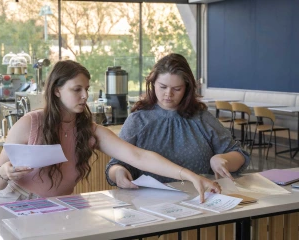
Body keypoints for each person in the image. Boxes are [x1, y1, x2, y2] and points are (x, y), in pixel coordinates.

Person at [0, 59, 221, 204]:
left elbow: (138, 156)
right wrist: (5, 172)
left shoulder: (90, 131)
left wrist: (190, 175)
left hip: (58, 205)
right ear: (57, 91)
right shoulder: (30, 124)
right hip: (15, 202)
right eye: (76, 89)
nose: (85, 96)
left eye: (86, 89)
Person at [106, 53, 250, 190]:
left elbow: (239, 155)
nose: (168, 94)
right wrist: (118, 171)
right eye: (162, 87)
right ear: (153, 83)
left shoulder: (201, 118)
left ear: (187, 88)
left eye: (177, 89)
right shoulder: (138, 120)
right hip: (148, 203)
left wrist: (223, 159)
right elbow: (115, 164)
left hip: (200, 200)